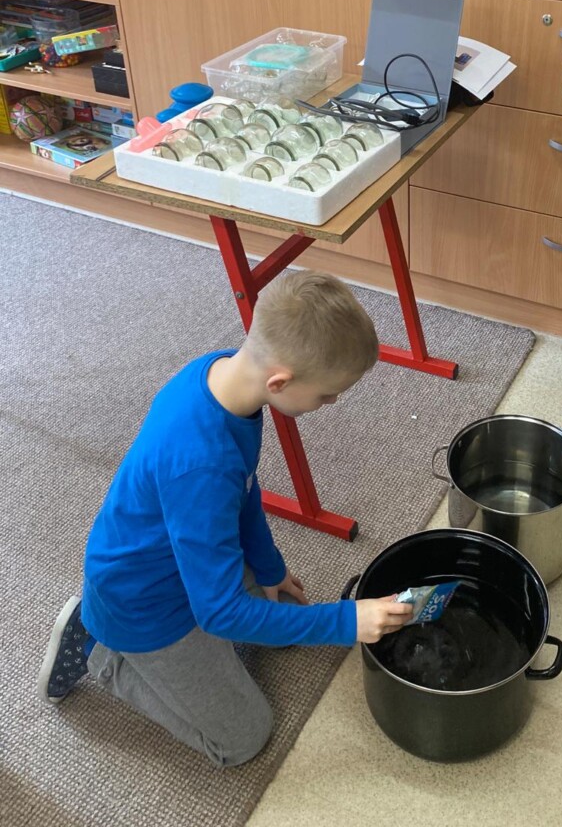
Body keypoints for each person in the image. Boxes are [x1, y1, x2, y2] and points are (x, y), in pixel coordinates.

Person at [37, 270, 413, 765]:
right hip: (144, 605)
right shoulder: (201, 463)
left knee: (278, 613)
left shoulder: (223, 377)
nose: (332, 403)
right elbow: (220, 613)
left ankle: (164, 629)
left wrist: (271, 568)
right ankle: (100, 653)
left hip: (179, 558)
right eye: (326, 395)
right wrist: (346, 621)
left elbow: (244, 491)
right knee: (243, 738)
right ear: (280, 382)